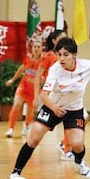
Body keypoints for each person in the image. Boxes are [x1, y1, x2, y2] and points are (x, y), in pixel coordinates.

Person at [9, 37, 90, 179]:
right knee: (33, 139)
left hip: (74, 110)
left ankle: (79, 161)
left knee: (77, 145)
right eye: (59, 54)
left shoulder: (86, 66)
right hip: (52, 107)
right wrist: (54, 107)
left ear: (74, 54)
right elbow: (44, 96)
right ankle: (15, 173)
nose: (62, 58)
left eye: (66, 54)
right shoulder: (55, 70)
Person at [32, 30, 76, 160]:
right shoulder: (49, 56)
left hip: (65, 94)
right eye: (62, 38)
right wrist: (36, 96)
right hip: (52, 96)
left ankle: (64, 144)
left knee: (81, 119)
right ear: (54, 41)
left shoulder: (68, 57)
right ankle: (66, 149)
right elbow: (38, 76)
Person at [4, 38, 42, 138]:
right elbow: (21, 68)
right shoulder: (28, 57)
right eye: (34, 47)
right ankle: (10, 129)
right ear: (32, 48)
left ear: (42, 49)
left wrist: (39, 80)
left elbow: (44, 77)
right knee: (16, 105)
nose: (36, 49)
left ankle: (26, 126)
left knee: (29, 111)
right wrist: (12, 80)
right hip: (23, 86)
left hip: (33, 90)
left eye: (38, 47)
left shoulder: (43, 61)